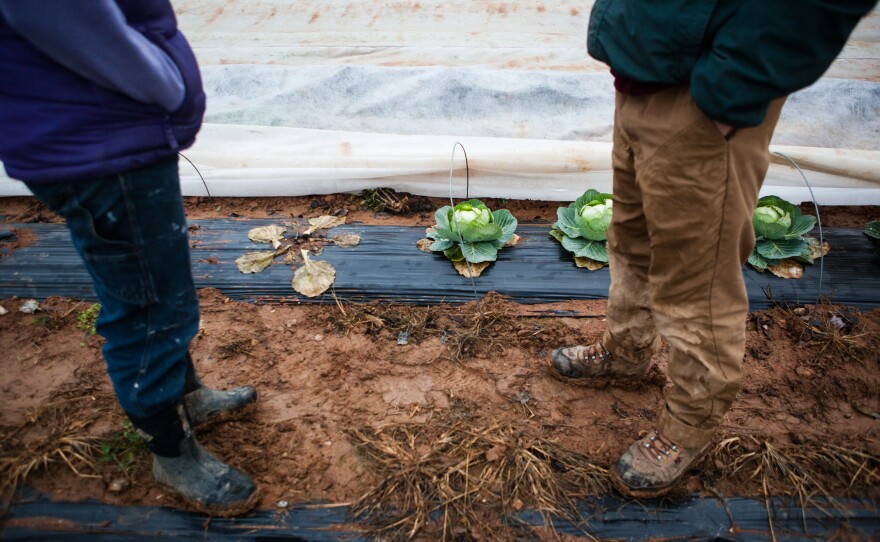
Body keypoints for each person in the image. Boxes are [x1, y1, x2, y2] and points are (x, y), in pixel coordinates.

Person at [551, 0, 878, 498]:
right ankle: (628, 349)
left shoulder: (721, 90)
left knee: (696, 279)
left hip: (709, 98)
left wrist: (732, 87)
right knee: (632, 237)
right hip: (645, 73)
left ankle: (688, 424)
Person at [0, 1, 259, 514]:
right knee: (148, 308)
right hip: (99, 144)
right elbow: (72, 22)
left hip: (102, 137)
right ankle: (171, 448)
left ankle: (185, 397)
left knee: (159, 289)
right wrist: (167, 84)